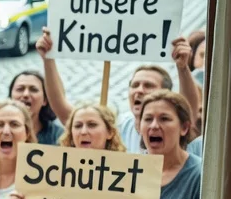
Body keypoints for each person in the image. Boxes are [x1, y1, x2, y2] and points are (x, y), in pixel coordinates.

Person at [37, 28, 201, 152]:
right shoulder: (120, 125)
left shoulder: (172, 127)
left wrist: (183, 68)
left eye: (148, 85)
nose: (139, 90)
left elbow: (188, 109)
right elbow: (63, 109)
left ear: (165, 94)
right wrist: (48, 59)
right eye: (134, 85)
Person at [8, 70, 64, 145]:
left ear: (45, 100)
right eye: (20, 89)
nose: (26, 94)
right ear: (10, 97)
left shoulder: (58, 135)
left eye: (33, 90)